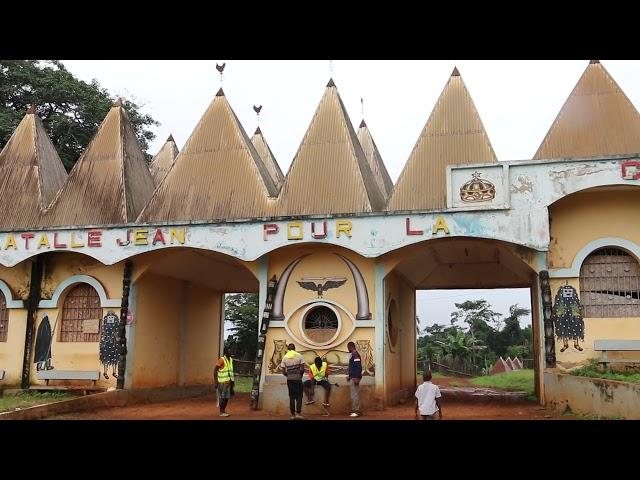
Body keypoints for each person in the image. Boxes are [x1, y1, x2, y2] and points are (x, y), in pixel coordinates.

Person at [280, 343, 306, 419]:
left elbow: (283, 372)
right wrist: (299, 376)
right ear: (294, 349)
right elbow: (302, 369)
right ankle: (298, 414)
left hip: (290, 380)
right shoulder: (299, 356)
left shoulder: (285, 358)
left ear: (288, 349)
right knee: (299, 396)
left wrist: (289, 376)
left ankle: (292, 415)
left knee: (292, 397)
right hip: (298, 379)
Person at [213, 348, 235, 417]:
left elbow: (230, 371)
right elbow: (214, 371)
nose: (231, 352)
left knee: (227, 397)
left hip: (229, 382)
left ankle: (223, 411)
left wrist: (232, 382)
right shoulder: (221, 360)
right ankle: (221, 412)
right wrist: (216, 382)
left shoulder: (231, 360)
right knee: (222, 397)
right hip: (222, 382)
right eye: (229, 351)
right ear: (226, 352)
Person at [347, 341, 362, 417]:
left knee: (354, 395)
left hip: (355, 378)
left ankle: (356, 411)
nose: (348, 349)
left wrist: (357, 377)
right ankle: (356, 410)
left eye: (348, 348)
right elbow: (353, 367)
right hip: (353, 377)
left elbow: (358, 366)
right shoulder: (353, 355)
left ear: (350, 347)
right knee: (354, 395)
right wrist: (349, 376)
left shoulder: (355, 354)